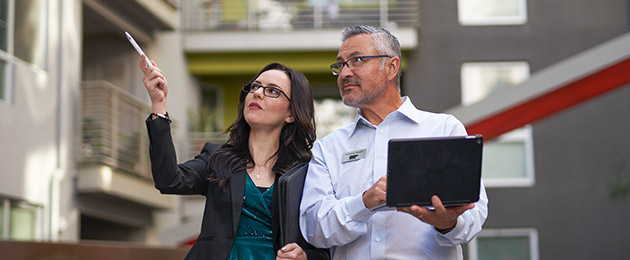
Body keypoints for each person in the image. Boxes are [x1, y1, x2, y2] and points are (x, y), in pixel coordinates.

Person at [299, 26, 489, 259]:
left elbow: (474, 216)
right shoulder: (328, 148)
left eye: (357, 60)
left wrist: (448, 223)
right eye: (340, 65)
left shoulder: (444, 129)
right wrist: (364, 202)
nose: (345, 73)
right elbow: (313, 229)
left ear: (391, 67)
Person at [140, 56, 329, 260]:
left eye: (272, 91)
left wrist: (305, 257)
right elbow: (169, 180)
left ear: (291, 113)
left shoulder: (306, 172)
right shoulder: (217, 157)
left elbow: (325, 247)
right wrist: (158, 105)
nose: (257, 93)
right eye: (255, 86)